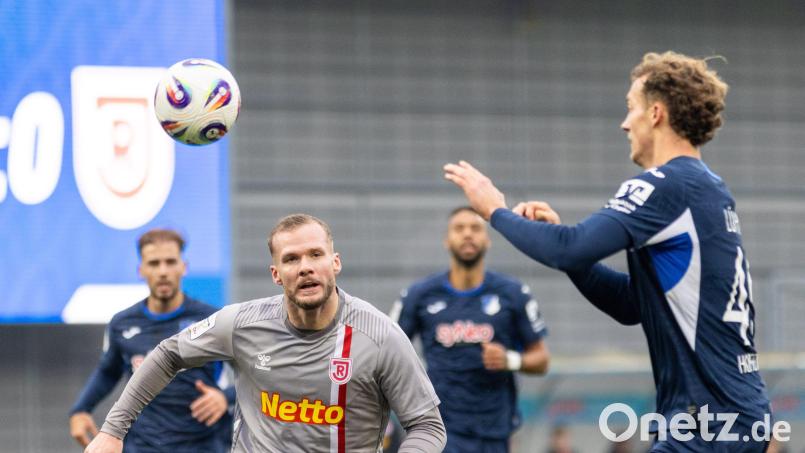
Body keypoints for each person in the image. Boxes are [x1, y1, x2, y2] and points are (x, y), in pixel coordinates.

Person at [444, 51, 771, 452]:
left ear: (655, 113)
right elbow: (632, 304)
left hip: (707, 421)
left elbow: (569, 248)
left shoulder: (662, 185)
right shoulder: (707, 188)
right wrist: (576, 258)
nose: (623, 123)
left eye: (630, 108)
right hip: (728, 416)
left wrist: (493, 208)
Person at [84, 213, 446, 453]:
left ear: (335, 263)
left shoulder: (379, 336)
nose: (305, 268)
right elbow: (167, 354)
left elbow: (428, 426)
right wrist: (113, 430)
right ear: (276, 274)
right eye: (291, 259)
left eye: (315, 255)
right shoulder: (243, 324)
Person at [391, 206, 550, 453]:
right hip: (440, 428)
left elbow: (541, 360)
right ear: (447, 240)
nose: (467, 234)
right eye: (459, 228)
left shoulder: (513, 293)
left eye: (475, 228)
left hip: (494, 430)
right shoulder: (419, 295)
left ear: (487, 240)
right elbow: (389, 351)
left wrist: (510, 358)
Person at [69, 228, 234, 452]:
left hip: (203, 443)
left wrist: (225, 397)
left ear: (183, 267)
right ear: (141, 270)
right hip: (144, 444)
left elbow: (258, 369)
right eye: (154, 263)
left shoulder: (212, 319)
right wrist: (81, 409)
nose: (163, 271)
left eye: (170, 262)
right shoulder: (123, 323)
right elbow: (108, 371)